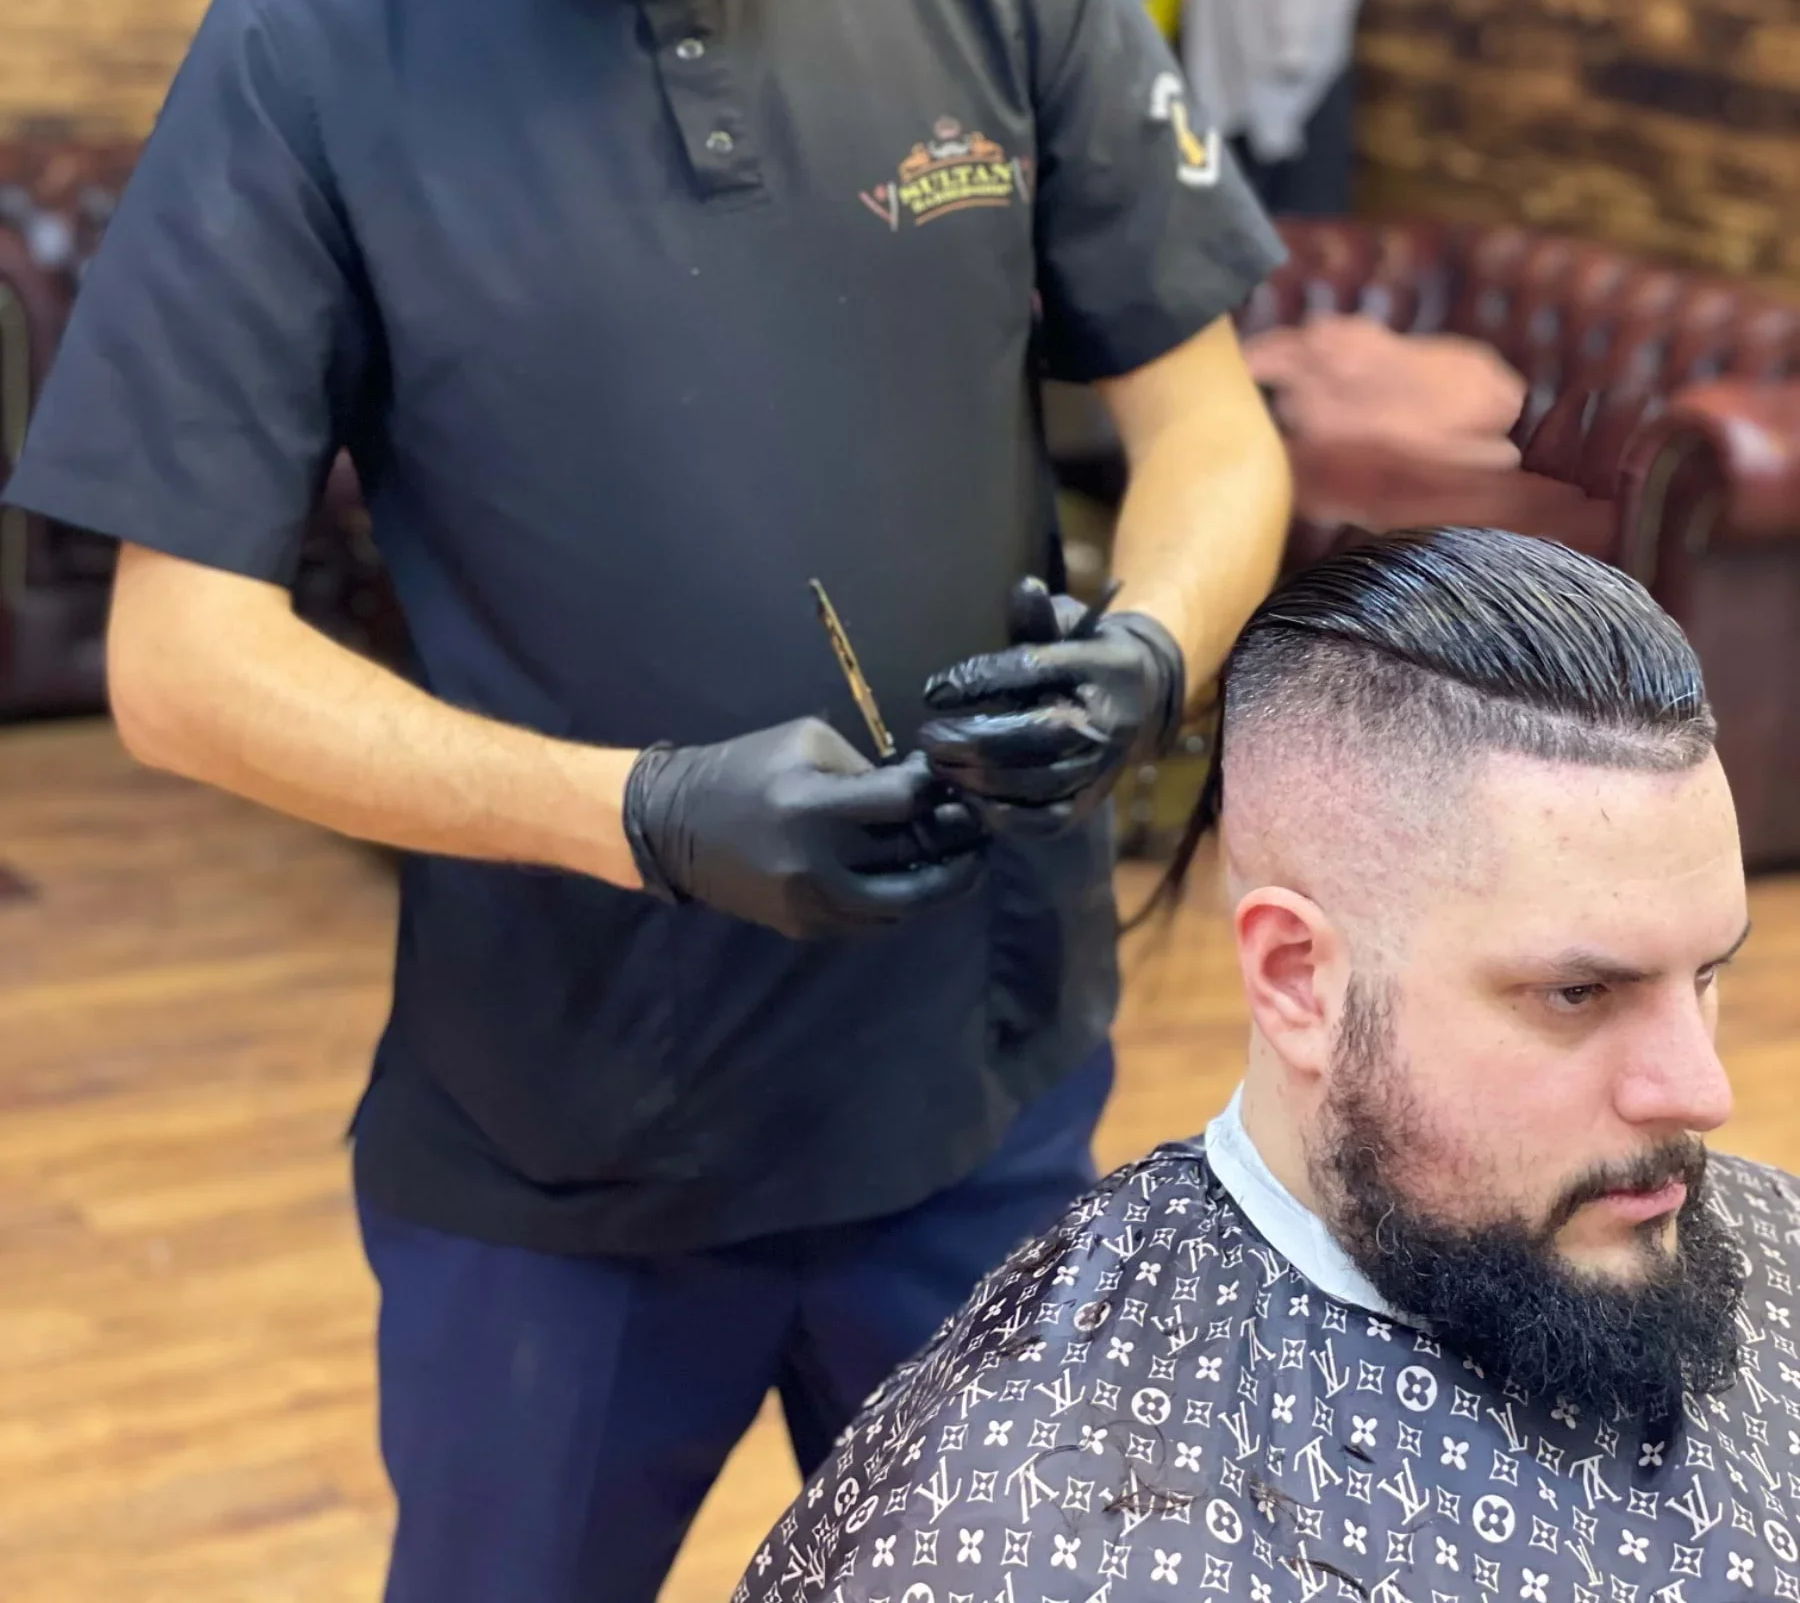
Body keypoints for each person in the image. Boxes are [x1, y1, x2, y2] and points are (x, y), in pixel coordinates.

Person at [1, 0, 1295, 1603]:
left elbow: (1212, 430)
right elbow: (184, 661)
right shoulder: (307, 58)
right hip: (571, 1154)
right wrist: (644, 812)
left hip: (980, 1087)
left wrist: (1150, 650)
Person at [736, 528, 1800, 1603]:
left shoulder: (1774, 1246)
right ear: (1297, 981)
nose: (1701, 1094)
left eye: (1707, 974)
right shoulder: (1007, 1539)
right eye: (1579, 994)